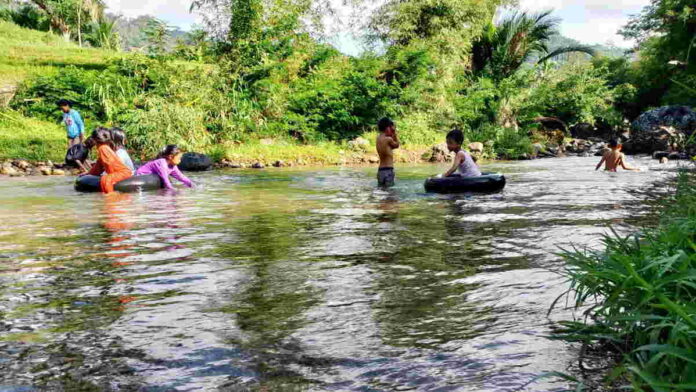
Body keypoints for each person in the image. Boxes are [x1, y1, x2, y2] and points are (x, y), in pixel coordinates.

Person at [83, 128, 133, 194]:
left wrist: (110, 176)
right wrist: (88, 173)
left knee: (106, 179)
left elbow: (110, 164)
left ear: (95, 140)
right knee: (105, 178)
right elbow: (98, 166)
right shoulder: (103, 148)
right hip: (120, 172)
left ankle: (111, 196)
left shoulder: (103, 148)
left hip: (123, 172)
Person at [375, 117, 399, 187]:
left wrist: (391, 134)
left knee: (382, 191)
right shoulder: (388, 139)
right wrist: (395, 133)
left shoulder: (378, 139)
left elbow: (391, 147)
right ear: (387, 128)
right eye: (390, 127)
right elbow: (397, 145)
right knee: (390, 193)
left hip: (380, 171)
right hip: (388, 170)